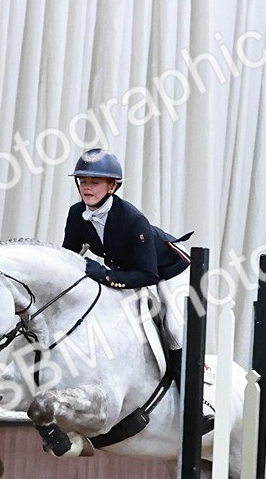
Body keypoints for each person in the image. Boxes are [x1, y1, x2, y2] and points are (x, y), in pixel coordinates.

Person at [62, 148, 190, 381]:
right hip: (129, 268)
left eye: (95, 182)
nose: (87, 187)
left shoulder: (133, 219)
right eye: (83, 181)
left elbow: (149, 275)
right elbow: (68, 257)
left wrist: (105, 275)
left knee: (174, 327)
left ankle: (184, 386)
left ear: (112, 186)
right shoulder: (76, 213)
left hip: (171, 268)